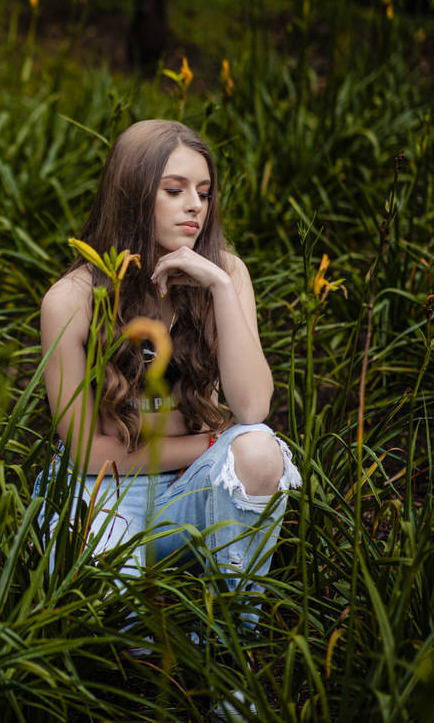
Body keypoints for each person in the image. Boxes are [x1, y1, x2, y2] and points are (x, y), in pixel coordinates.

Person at [38, 119, 301, 614]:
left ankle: (231, 643)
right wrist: (204, 444)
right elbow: (87, 457)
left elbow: (251, 407)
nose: (195, 206)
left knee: (260, 451)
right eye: (174, 190)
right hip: (103, 496)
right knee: (115, 617)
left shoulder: (226, 272)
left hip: (196, 488)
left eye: (203, 192)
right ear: (133, 196)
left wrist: (220, 287)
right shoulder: (71, 300)